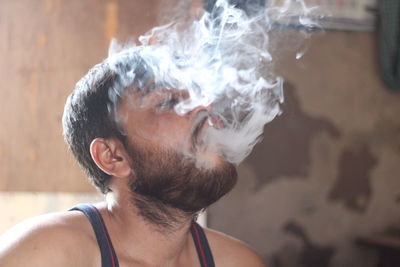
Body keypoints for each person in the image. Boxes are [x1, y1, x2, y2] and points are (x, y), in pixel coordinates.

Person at [0, 48, 266, 267]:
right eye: (167, 102)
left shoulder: (239, 262)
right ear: (113, 156)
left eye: (199, 96)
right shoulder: (43, 255)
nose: (204, 107)